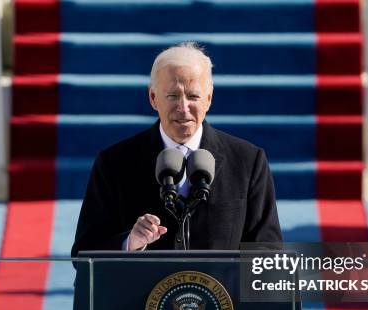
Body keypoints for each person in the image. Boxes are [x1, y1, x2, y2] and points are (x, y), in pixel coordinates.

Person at [71, 42, 282, 254]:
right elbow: (85, 251)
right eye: (172, 96)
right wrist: (130, 243)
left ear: (208, 99)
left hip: (222, 287)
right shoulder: (114, 164)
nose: (183, 108)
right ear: (153, 98)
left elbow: (268, 251)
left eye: (193, 96)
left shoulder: (248, 161)